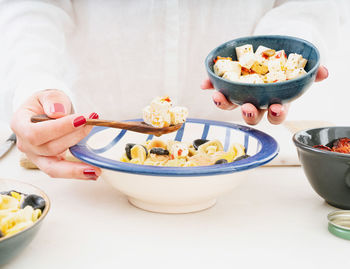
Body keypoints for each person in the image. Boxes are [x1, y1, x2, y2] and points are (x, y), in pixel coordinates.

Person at [0, 0, 347, 180]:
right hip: (88, 154)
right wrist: (36, 81)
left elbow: (303, 5)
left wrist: (281, 58)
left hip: (246, 156)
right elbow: (33, 6)